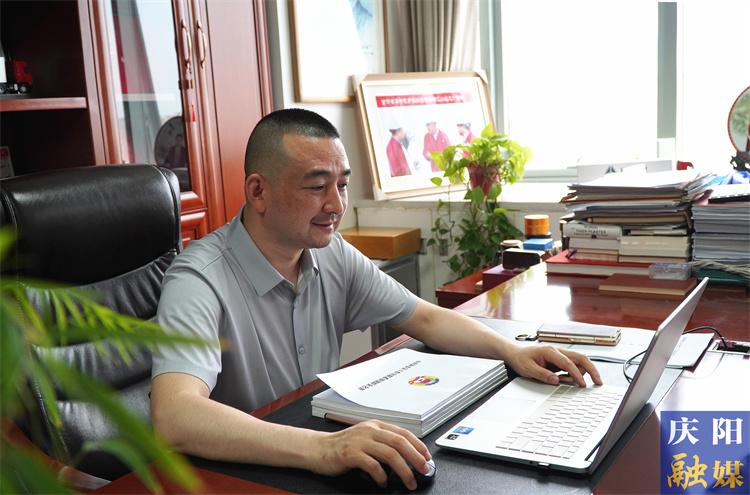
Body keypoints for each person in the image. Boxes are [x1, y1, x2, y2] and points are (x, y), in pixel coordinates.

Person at [150, 108, 602, 491]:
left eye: (342, 185)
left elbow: (424, 318)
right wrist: (323, 448)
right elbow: (175, 416)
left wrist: (513, 351)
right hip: (238, 477)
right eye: (316, 186)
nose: (336, 205)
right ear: (258, 191)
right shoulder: (198, 279)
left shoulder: (331, 253)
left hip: (313, 460)